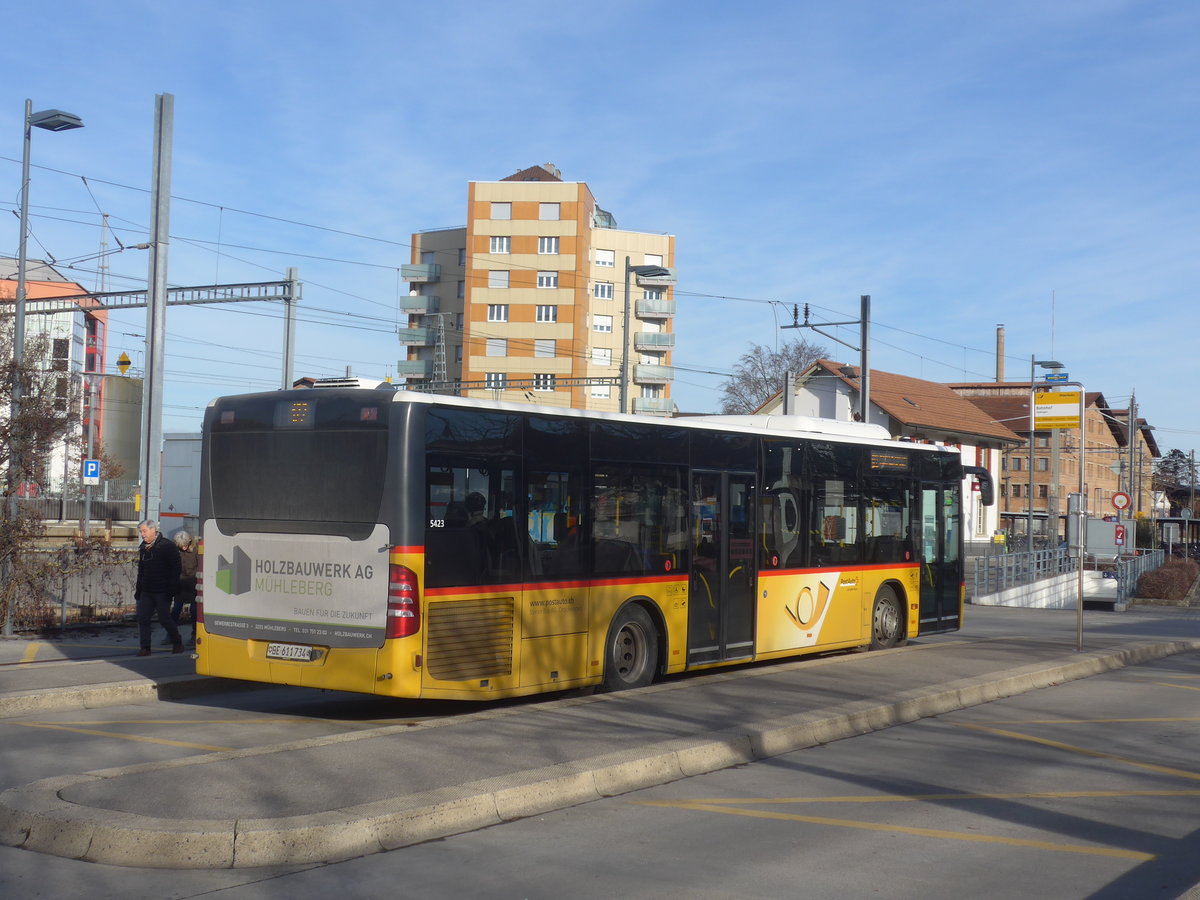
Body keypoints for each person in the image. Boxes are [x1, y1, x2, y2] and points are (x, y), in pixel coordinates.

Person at [134, 519, 183, 656]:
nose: (142, 534)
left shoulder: (167, 546)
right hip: (147, 590)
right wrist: (139, 589)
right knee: (143, 618)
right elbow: (141, 570)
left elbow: (176, 568)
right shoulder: (144, 548)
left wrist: (171, 587)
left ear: (153, 530)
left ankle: (177, 642)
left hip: (163, 590)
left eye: (144, 531)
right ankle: (145, 647)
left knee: (164, 619)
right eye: (141, 532)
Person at [165, 530, 198, 647]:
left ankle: (195, 635)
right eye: (180, 545)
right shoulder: (175, 551)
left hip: (193, 584)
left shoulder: (196, 550)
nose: (183, 547)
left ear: (189, 542)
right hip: (180, 584)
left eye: (185, 545)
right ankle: (171, 635)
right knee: (175, 610)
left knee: (194, 612)